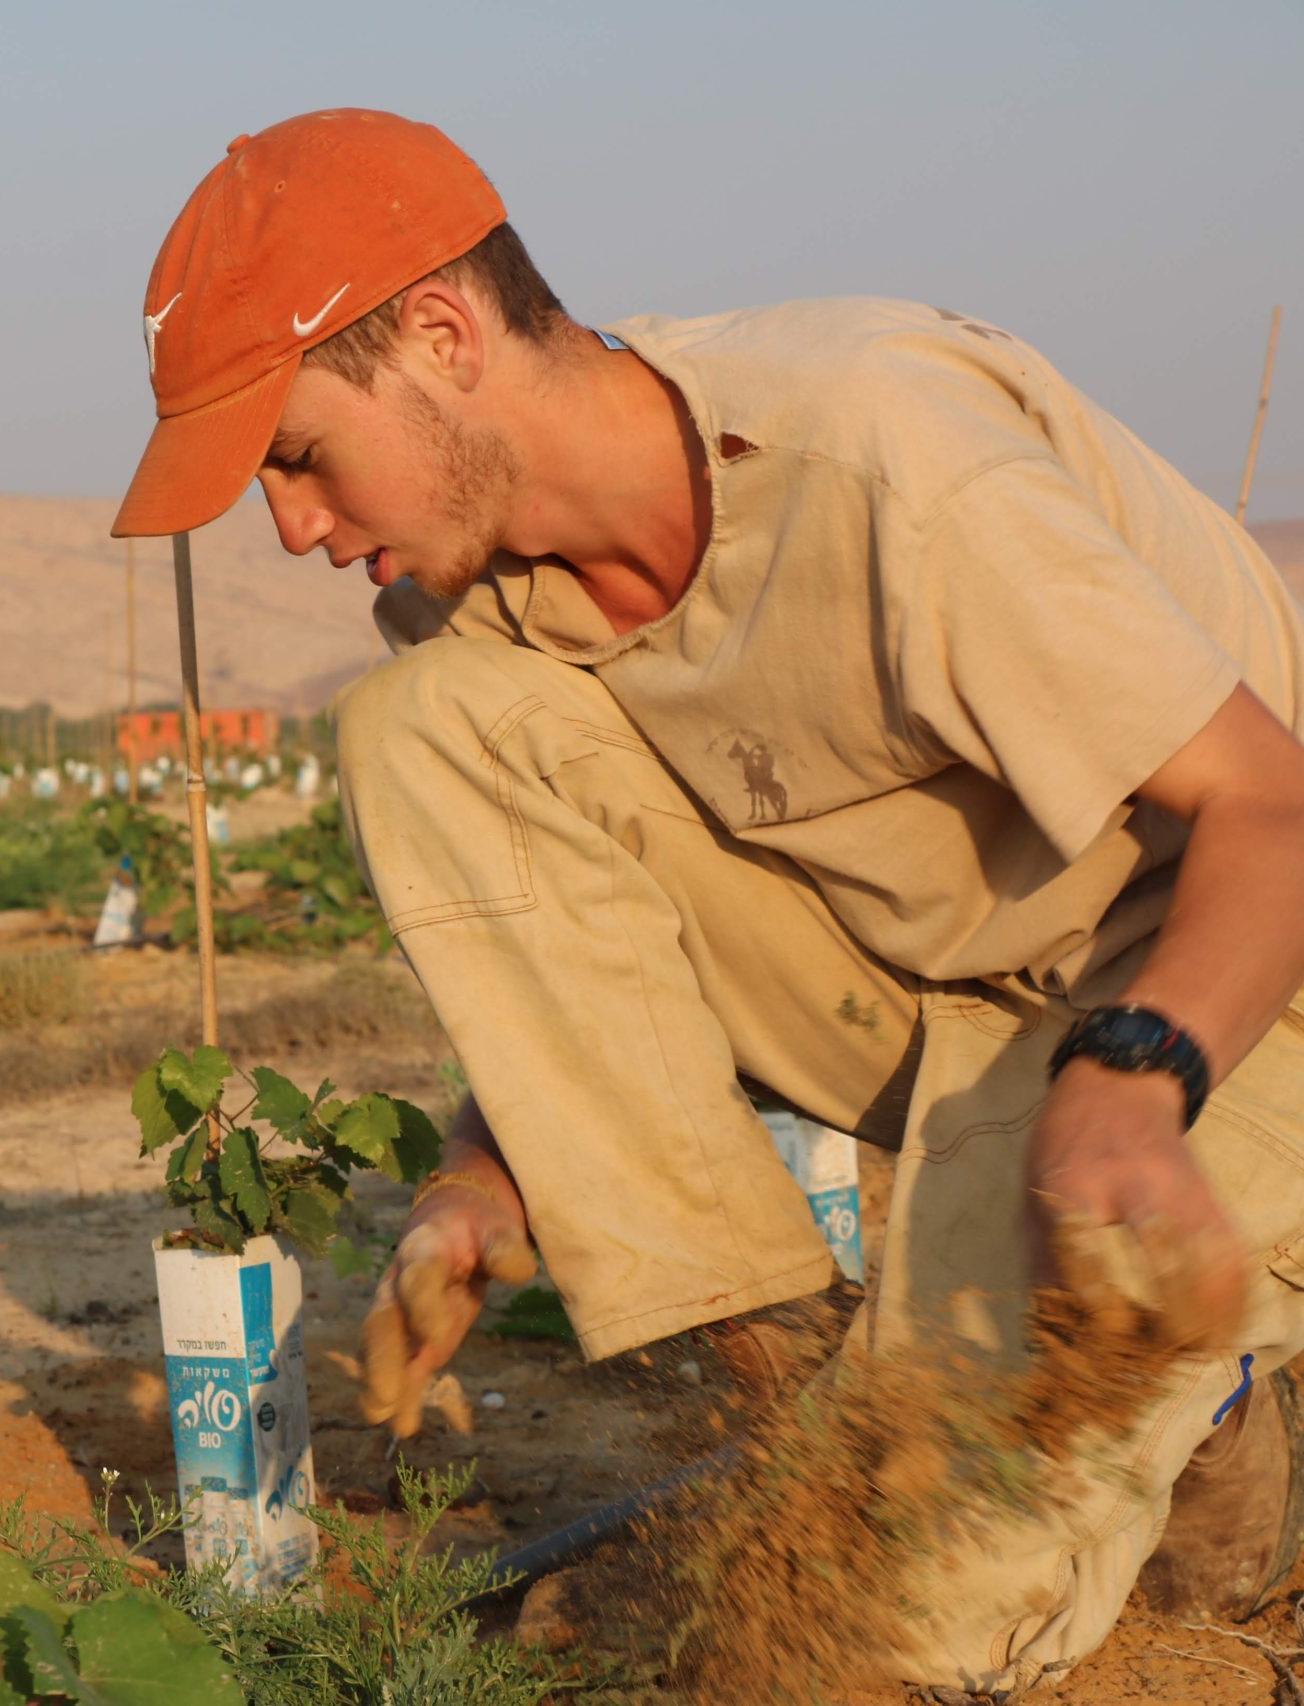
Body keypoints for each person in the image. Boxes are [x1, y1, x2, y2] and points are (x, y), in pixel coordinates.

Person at [110, 108, 1304, 1692]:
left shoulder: (881, 453)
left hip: (1227, 980)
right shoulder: (467, 604)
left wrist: (1137, 1080)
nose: (293, 524)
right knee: (420, 725)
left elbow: (1276, 808)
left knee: (905, 1636)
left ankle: (1204, 1410)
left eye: (301, 455)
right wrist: (482, 1173)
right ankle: (794, 1379)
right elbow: (581, 915)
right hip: (931, 1003)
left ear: (447, 338)